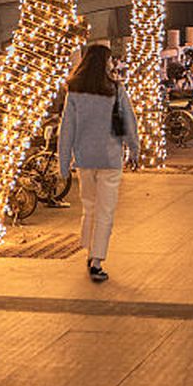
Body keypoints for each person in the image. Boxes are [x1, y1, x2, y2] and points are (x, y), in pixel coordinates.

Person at [56, 43, 139, 283]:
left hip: (85, 158)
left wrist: (64, 163)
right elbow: (128, 122)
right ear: (105, 63)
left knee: (90, 206)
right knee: (105, 211)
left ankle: (89, 247)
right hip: (110, 159)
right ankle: (97, 259)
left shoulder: (74, 92)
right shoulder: (114, 90)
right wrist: (134, 148)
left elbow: (67, 129)